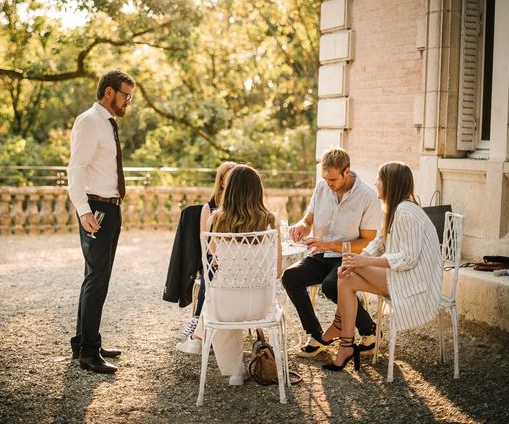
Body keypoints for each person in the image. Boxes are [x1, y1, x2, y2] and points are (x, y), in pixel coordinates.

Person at [322, 161, 443, 371]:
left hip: (415, 284)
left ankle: (340, 329)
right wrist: (361, 258)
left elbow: (407, 259)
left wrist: (362, 262)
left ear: (390, 183)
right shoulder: (395, 208)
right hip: (401, 277)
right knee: (346, 277)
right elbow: (379, 242)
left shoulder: (407, 213)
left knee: (348, 266)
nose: (376, 183)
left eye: (379, 179)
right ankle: (346, 346)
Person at [177, 164, 282, 386]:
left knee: (218, 305)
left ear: (230, 190)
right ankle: (200, 340)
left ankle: (234, 372)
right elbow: (278, 270)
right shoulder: (271, 221)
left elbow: (212, 262)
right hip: (261, 306)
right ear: (258, 190)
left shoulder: (215, 220)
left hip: (227, 306)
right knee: (221, 303)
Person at [281, 147, 381, 358]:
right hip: (320, 256)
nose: (329, 184)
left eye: (333, 179)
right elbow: (308, 221)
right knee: (290, 277)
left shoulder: (368, 197)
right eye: (326, 179)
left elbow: (366, 240)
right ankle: (316, 334)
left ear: (347, 172)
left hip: (349, 257)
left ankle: (369, 330)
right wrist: (299, 227)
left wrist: (329, 244)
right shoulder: (322, 187)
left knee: (331, 285)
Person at [67, 69, 135, 374]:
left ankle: (85, 340)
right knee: (96, 280)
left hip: (111, 207)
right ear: (109, 92)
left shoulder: (108, 123)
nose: (128, 101)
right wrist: (83, 210)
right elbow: (75, 169)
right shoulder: (89, 121)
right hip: (96, 208)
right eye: (125, 95)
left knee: (97, 277)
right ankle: (89, 354)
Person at [177, 161, 237, 341]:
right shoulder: (209, 208)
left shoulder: (241, 207)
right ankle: (198, 319)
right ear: (222, 182)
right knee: (210, 268)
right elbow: (206, 243)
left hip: (237, 258)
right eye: (229, 178)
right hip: (214, 257)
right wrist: (217, 257)